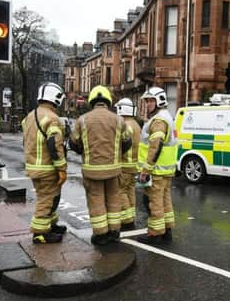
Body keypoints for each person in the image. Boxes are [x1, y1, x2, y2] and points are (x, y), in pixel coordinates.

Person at [69, 85, 132, 245]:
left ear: (92, 101)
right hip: (114, 170)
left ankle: (101, 235)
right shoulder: (119, 120)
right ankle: (114, 231)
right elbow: (127, 142)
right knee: (113, 199)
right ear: (108, 101)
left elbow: (73, 143)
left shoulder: (82, 120)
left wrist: (84, 150)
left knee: (96, 201)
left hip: (92, 171)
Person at [21, 83, 68, 244]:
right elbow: (55, 145)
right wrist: (62, 168)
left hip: (33, 166)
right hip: (48, 168)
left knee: (51, 197)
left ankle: (51, 224)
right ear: (56, 98)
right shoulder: (52, 118)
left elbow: (26, 141)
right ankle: (40, 233)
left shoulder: (29, 116)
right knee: (46, 199)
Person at [136, 86, 177, 245]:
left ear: (159, 101)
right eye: (146, 101)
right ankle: (167, 230)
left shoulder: (158, 120)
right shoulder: (167, 117)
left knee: (155, 202)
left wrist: (146, 169)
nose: (147, 104)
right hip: (165, 170)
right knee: (165, 201)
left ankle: (155, 233)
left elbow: (156, 146)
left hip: (156, 171)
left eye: (150, 101)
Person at [114, 98, 142, 231]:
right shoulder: (136, 124)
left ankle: (126, 220)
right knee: (130, 191)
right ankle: (130, 217)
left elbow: (118, 146)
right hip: (134, 166)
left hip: (124, 165)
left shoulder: (125, 125)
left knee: (121, 191)